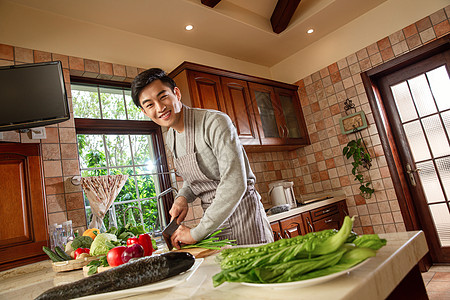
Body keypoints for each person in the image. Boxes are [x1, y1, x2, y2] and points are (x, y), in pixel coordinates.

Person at [131, 68, 273, 248]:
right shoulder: (171, 137)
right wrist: (182, 197)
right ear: (144, 112)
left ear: (176, 93)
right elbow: (194, 177)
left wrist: (196, 233)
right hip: (214, 227)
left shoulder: (215, 122)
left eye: (163, 97)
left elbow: (235, 183)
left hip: (244, 219)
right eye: (149, 104)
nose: (159, 108)